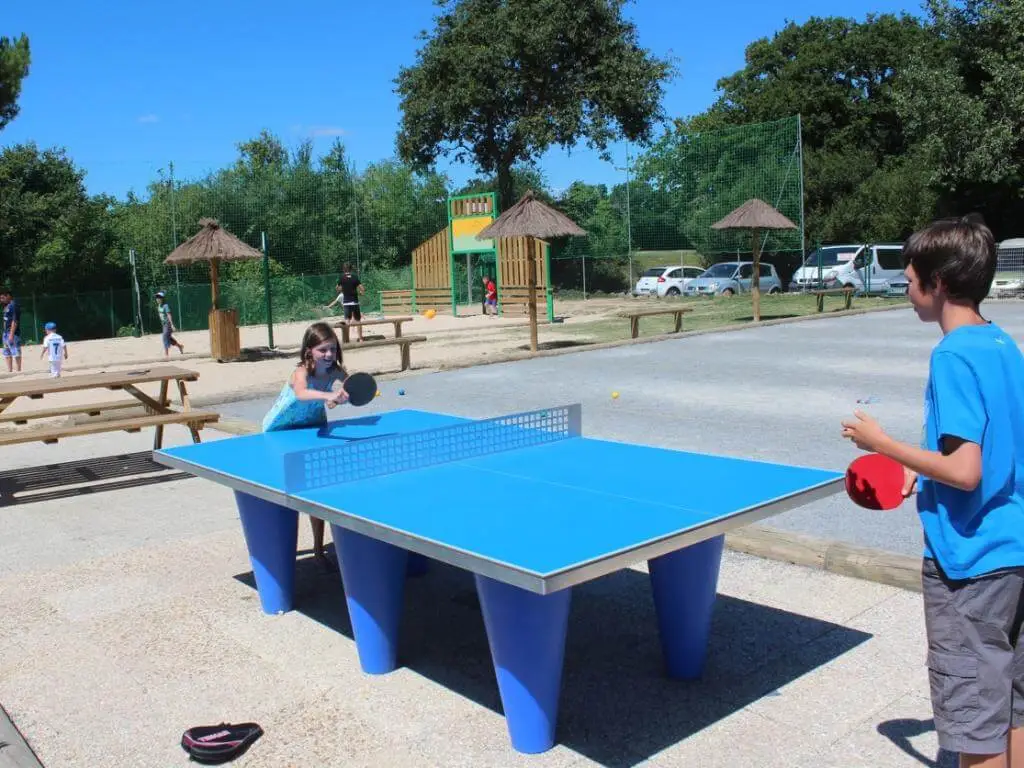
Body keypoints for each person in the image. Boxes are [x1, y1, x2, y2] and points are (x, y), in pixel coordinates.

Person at [841, 214, 1024, 768]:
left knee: (974, 723)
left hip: (970, 564)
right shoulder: (1001, 344)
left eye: (910, 276)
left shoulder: (951, 355)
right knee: (1012, 705)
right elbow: (996, 445)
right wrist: (922, 472)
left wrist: (883, 443)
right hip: (1014, 552)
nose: (904, 286)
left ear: (938, 283)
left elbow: (966, 470)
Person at [262, 322, 350, 570]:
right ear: (309, 351)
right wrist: (328, 396)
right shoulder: (301, 372)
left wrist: (343, 395)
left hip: (312, 430)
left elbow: (349, 386)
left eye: (332, 349)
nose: (329, 355)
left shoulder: (335, 371)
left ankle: (319, 549)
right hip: (280, 432)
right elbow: (301, 393)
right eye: (323, 350)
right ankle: (275, 551)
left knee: (316, 491)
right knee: (278, 493)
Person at [325, 263, 365, 341]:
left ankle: (347, 339)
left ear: (344, 270)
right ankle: (360, 339)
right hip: (355, 302)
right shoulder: (355, 277)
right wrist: (361, 293)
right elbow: (362, 289)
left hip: (346, 303)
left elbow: (337, 288)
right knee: (358, 320)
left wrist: (343, 289)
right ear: (351, 269)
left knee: (347, 321)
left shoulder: (342, 278)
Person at [155, 291, 185, 356]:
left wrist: (172, 325)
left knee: (164, 337)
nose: (157, 298)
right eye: (157, 297)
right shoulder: (159, 305)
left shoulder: (166, 306)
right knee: (168, 338)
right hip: (164, 324)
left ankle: (166, 355)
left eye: (159, 297)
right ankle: (180, 346)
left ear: (162, 298)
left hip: (168, 324)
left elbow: (169, 315)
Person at [0, 288, 22, 372]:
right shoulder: (6, 306)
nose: (1, 300)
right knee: (7, 352)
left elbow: (15, 321)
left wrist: (11, 335)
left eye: (2, 298)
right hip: (5, 333)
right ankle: (10, 370)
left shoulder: (14, 305)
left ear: (8, 296)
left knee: (15, 351)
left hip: (12, 333)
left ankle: (19, 370)